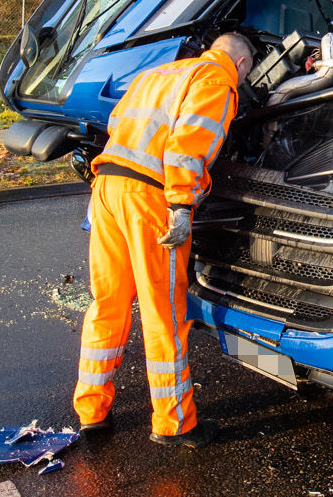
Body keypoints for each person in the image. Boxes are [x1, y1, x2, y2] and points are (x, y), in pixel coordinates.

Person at [75, 32, 254, 449]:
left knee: (108, 303)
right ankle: (174, 423)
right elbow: (188, 148)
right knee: (164, 313)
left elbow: (116, 126)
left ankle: (92, 412)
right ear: (242, 64)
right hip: (150, 199)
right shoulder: (217, 80)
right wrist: (181, 204)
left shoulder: (158, 73)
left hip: (108, 188)